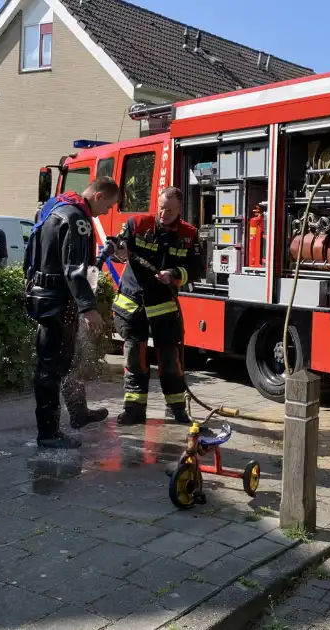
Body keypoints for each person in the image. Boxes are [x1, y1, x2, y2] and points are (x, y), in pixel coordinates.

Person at [23, 178, 118, 449]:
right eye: (108, 206)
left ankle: (78, 413)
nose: (107, 212)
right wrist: (89, 308)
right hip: (57, 300)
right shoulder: (77, 219)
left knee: (67, 358)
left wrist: (101, 257)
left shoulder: (56, 208)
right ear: (99, 196)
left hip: (45, 294)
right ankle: (48, 433)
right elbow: (74, 269)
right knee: (50, 368)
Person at [111, 187, 205, 425]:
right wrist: (119, 251)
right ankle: (134, 409)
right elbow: (118, 250)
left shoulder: (188, 234)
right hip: (133, 302)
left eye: (169, 210)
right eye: (161, 207)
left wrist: (173, 274)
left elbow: (197, 269)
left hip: (164, 303)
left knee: (170, 358)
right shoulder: (138, 224)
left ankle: (177, 408)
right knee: (135, 357)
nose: (163, 213)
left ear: (179, 210)